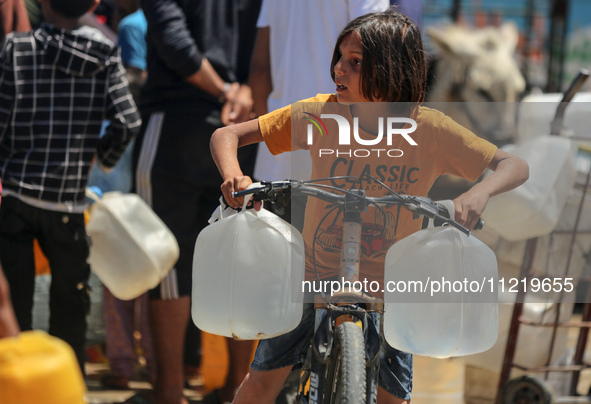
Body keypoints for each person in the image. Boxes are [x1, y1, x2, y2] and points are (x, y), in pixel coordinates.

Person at [210, 8, 529, 404]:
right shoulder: (321, 114)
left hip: (393, 288)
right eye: (339, 59)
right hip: (313, 277)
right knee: (260, 384)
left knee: (394, 399)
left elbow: (514, 165)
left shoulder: (428, 128)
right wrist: (234, 176)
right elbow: (227, 135)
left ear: (392, 69)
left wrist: (477, 193)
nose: (338, 70)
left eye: (355, 62)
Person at [129, 0, 261, 403]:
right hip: (243, 131)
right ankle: (238, 387)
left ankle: (170, 391)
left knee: (167, 258)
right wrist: (242, 91)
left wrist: (224, 89)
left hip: (174, 122)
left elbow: (174, 42)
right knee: (242, 258)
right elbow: (266, 43)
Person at [0, 0, 141, 375]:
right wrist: (101, 157)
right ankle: (66, 386)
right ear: (94, 4)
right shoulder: (104, 51)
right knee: (69, 312)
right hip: (67, 205)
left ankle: (17, 389)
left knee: (13, 309)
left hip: (15, 198)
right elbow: (127, 120)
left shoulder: (18, 48)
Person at [249, 0, 388, 231]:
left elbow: (260, 69)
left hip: (277, 166)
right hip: (341, 170)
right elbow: (375, 67)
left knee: (281, 264)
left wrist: (273, 142)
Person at [91, 0, 155, 390]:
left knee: (118, 271)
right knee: (153, 269)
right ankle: (157, 361)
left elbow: (131, 91)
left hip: (125, 164)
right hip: (152, 163)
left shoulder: (132, 25)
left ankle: (122, 363)